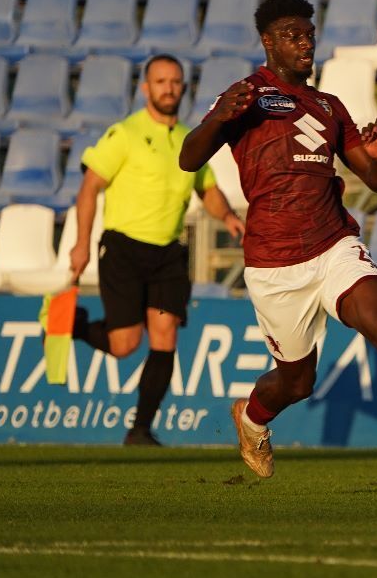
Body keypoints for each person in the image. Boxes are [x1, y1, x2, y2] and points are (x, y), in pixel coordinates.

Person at [178, 0, 377, 497]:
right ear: (268, 42)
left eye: (309, 33)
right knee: (296, 384)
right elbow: (188, 159)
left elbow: (376, 180)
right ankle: (252, 417)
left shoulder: (329, 107)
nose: (304, 43)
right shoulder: (245, 96)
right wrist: (218, 118)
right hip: (273, 263)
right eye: (292, 35)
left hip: (334, 245)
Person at [53, 53, 245, 446]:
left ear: (183, 88)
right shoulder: (124, 133)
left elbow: (206, 188)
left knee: (165, 335)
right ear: (146, 88)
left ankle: (140, 429)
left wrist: (227, 217)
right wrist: (80, 244)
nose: (169, 88)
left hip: (168, 255)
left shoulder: (191, 140)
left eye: (175, 82)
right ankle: (68, 324)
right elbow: (89, 187)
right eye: (161, 81)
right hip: (123, 249)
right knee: (125, 345)